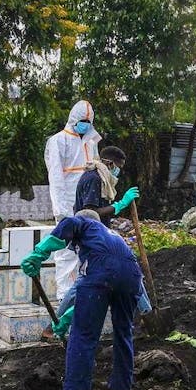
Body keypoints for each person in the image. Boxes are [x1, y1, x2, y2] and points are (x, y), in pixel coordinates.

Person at [22, 209, 142, 390]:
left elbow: (69, 224)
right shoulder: (116, 238)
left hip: (101, 277)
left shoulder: (85, 224)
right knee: (124, 334)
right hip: (131, 277)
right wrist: (68, 316)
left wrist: (38, 254)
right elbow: (130, 282)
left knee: (83, 339)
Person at [39, 146, 143, 341]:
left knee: (124, 272)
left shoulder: (99, 177)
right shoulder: (94, 178)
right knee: (88, 281)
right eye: (118, 167)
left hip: (98, 237)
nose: (118, 172)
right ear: (110, 163)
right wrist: (120, 205)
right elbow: (89, 212)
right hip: (92, 240)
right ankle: (54, 326)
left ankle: (143, 317)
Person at [45, 100, 101, 308]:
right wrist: (60, 209)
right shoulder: (58, 141)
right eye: (83, 120)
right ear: (74, 119)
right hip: (67, 200)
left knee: (86, 247)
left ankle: (83, 291)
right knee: (65, 250)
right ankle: (64, 295)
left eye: (89, 121)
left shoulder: (91, 141)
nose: (86, 124)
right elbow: (56, 177)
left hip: (87, 202)